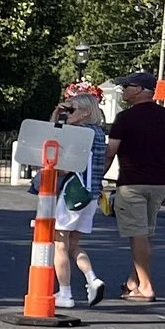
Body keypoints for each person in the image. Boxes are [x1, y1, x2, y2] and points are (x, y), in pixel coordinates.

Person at [106, 71, 165, 301]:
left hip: (132, 183)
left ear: (139, 90)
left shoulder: (124, 119)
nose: (123, 90)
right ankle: (134, 281)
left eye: (127, 86)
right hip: (159, 182)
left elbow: (111, 152)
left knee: (137, 234)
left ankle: (146, 287)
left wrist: (97, 176)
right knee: (146, 234)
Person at [52, 88, 107, 308]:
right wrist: (61, 116)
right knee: (74, 244)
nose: (68, 113)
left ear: (85, 112)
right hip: (91, 195)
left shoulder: (80, 134)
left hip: (73, 194)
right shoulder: (99, 133)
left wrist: (56, 118)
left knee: (60, 244)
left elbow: (63, 166)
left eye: (72, 109)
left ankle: (65, 294)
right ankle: (92, 278)